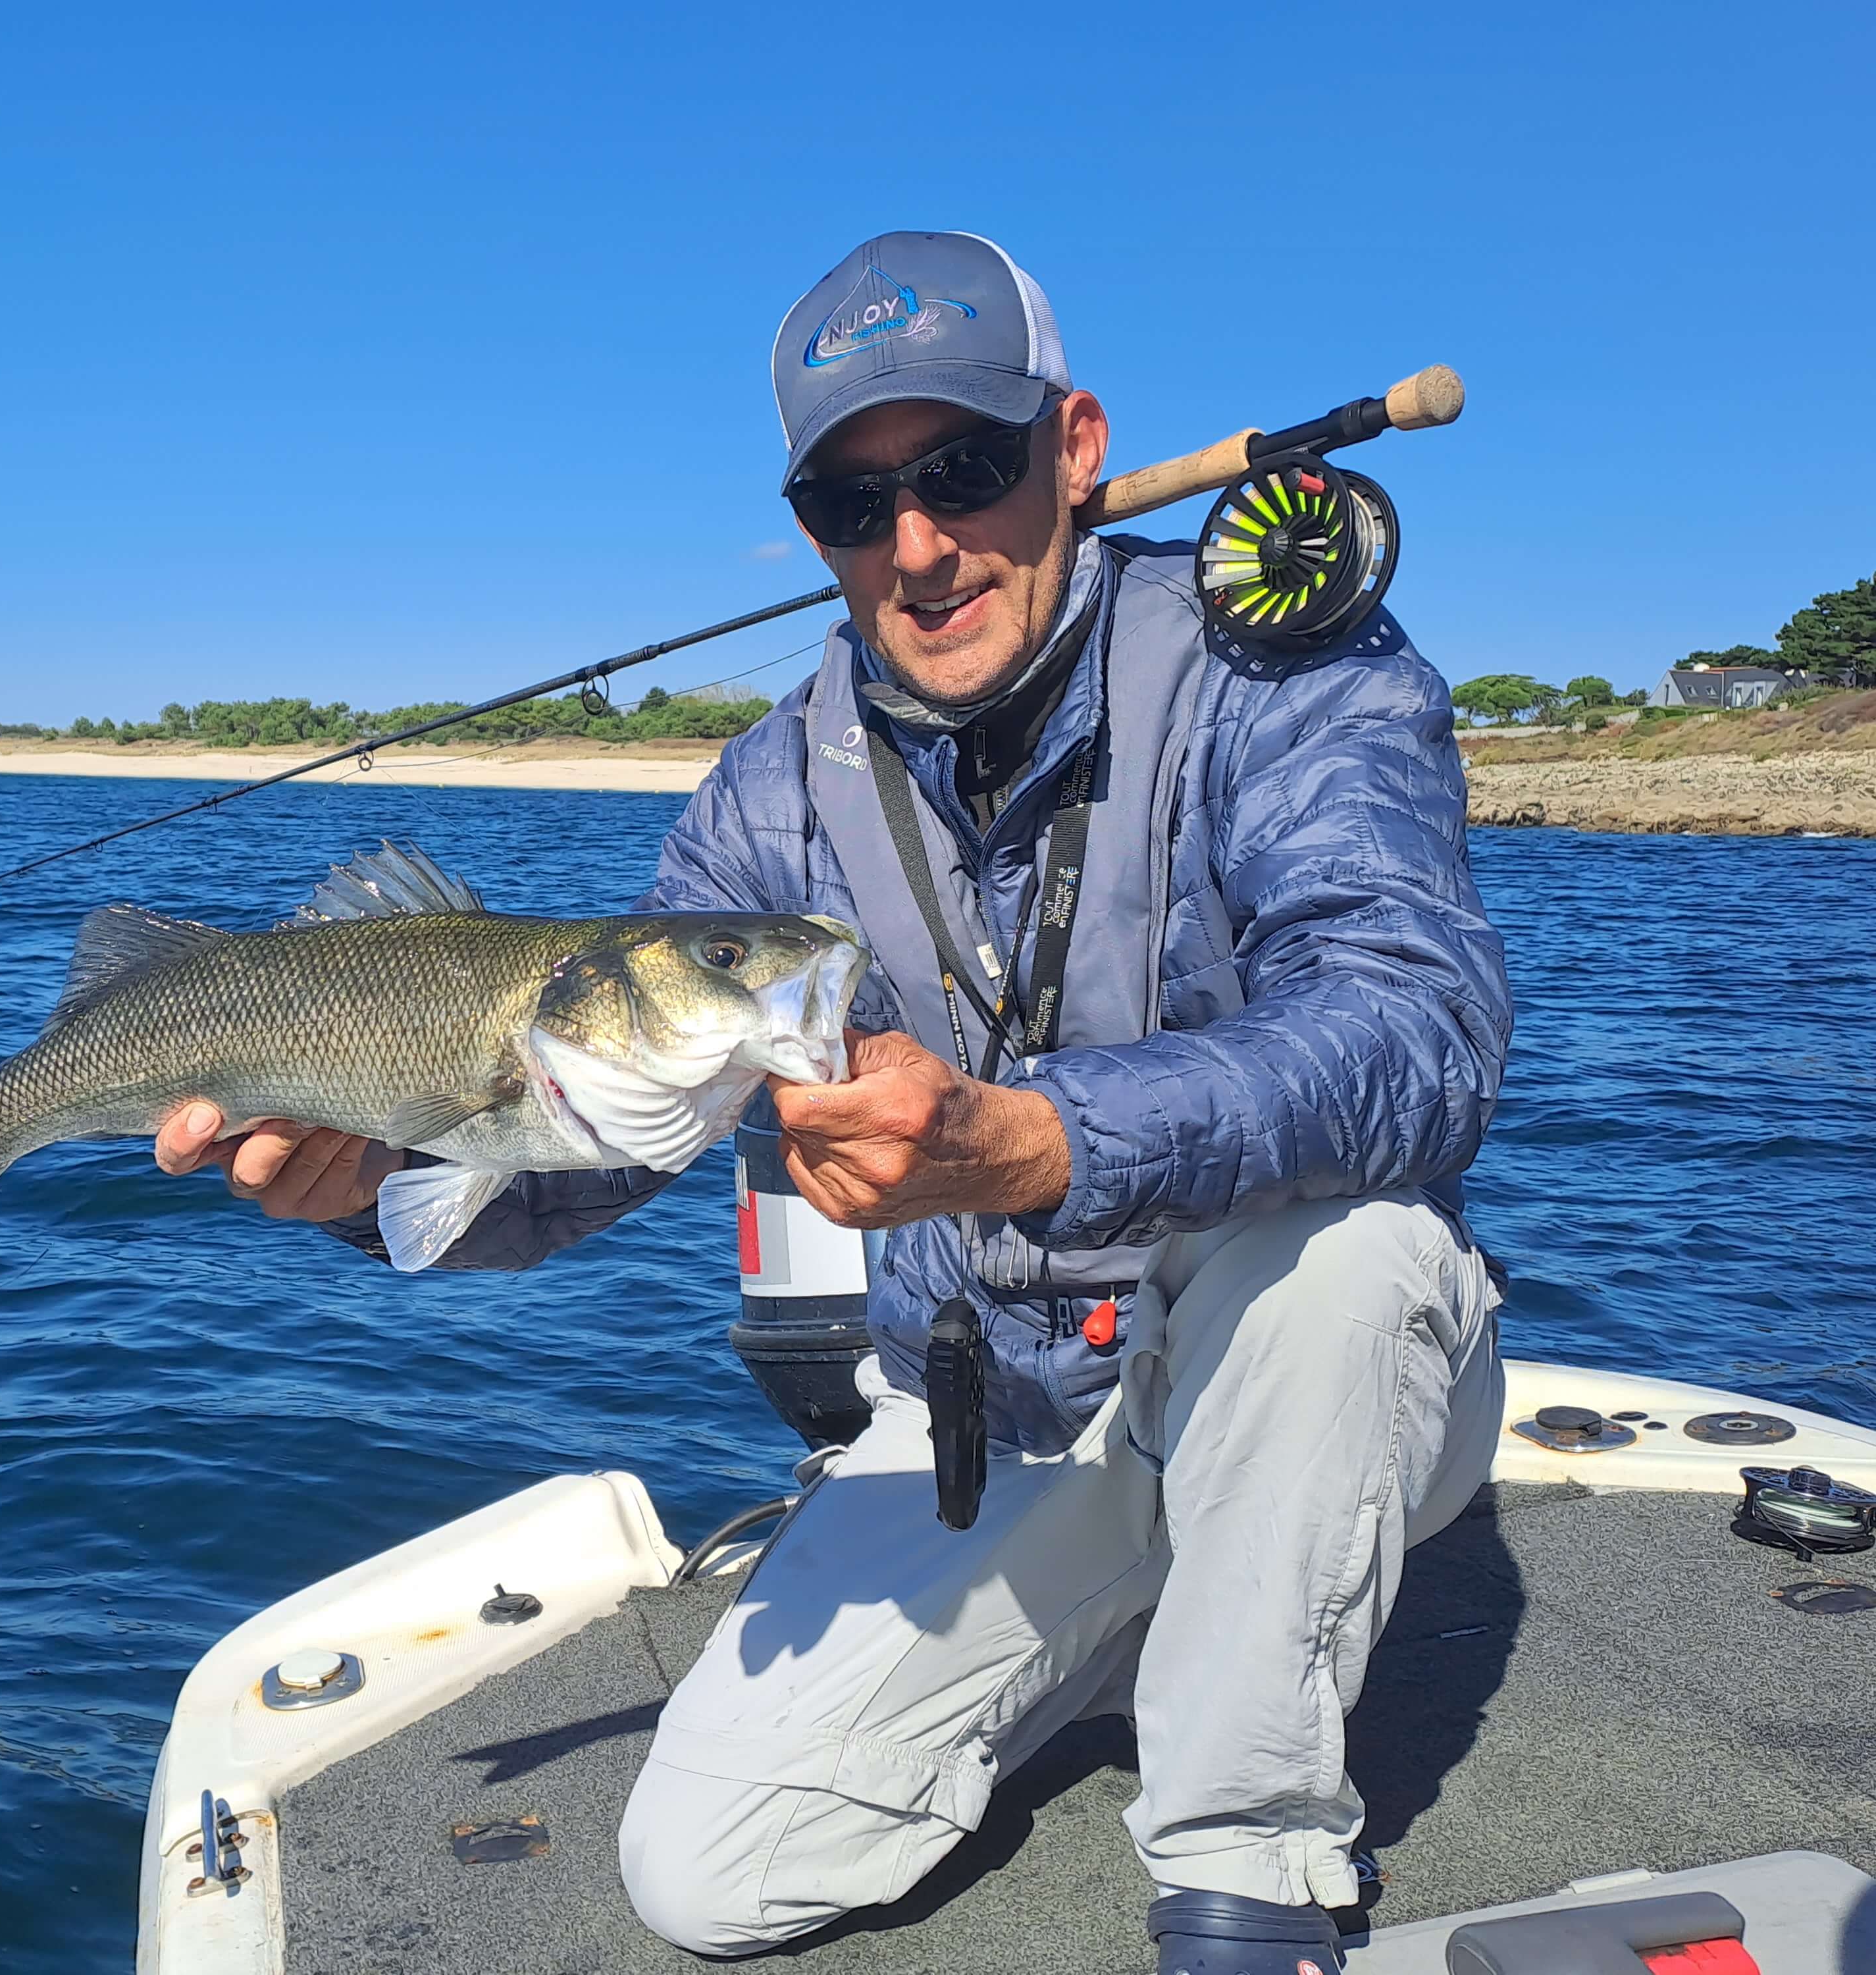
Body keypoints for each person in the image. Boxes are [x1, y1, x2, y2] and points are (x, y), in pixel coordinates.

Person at [156, 232, 1511, 1975]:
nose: (920, 545)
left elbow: (1422, 1033)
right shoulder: (761, 805)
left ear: (1075, 448)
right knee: (712, 1872)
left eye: (964, 469)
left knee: (1348, 1266)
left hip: (1311, 1360)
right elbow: (592, 1160)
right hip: (1000, 1408)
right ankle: (1165, 1599)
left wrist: (1043, 1142)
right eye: (850, 507)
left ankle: (1250, 1874)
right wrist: (369, 1179)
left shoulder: (1290, 668)